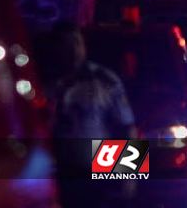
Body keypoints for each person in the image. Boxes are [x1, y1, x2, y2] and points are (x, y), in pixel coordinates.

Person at [50, 22, 136, 208]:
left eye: (77, 43)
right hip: (54, 175)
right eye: (66, 44)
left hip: (92, 174)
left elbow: (126, 128)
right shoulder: (41, 81)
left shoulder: (103, 81)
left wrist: (128, 175)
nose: (73, 50)